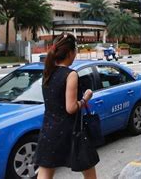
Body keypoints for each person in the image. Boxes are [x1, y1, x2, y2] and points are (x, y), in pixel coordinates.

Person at [35, 33, 98, 179]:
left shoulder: (47, 73)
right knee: (88, 169)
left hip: (49, 129)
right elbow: (70, 108)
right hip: (71, 130)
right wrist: (85, 99)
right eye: (75, 51)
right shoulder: (70, 74)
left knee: (46, 169)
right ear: (70, 53)